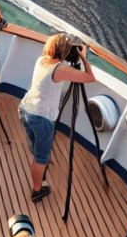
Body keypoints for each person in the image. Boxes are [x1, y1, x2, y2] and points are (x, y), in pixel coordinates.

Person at [18, 33, 96, 203]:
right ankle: (37, 189)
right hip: (42, 118)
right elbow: (90, 78)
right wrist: (83, 58)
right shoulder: (60, 70)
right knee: (41, 158)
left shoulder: (42, 60)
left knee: (36, 149)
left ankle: (39, 161)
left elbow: (58, 64)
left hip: (26, 110)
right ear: (65, 52)